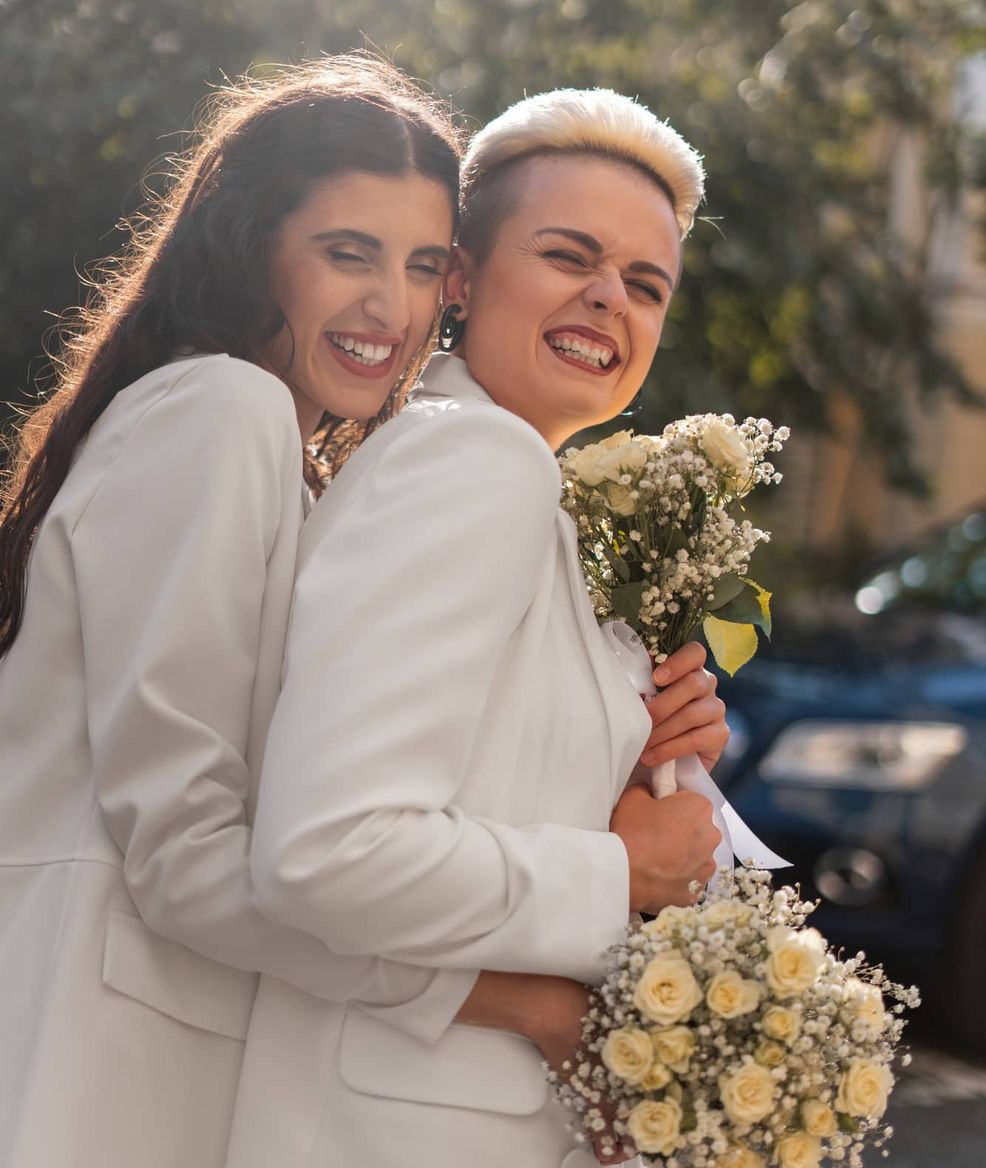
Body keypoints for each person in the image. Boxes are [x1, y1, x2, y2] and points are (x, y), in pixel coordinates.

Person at [0, 58, 724, 1168]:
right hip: (98, 1053)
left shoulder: (300, 459)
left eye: (418, 263)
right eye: (347, 253)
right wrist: (532, 979)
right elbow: (214, 857)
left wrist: (638, 743)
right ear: (255, 245)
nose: (389, 305)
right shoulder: (223, 410)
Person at [225, 88, 719, 1168]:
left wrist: (649, 756)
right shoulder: (473, 464)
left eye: (644, 284)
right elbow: (327, 854)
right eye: (566, 255)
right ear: (459, 279)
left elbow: (473, 785)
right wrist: (616, 871)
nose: (606, 298)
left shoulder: (501, 476)